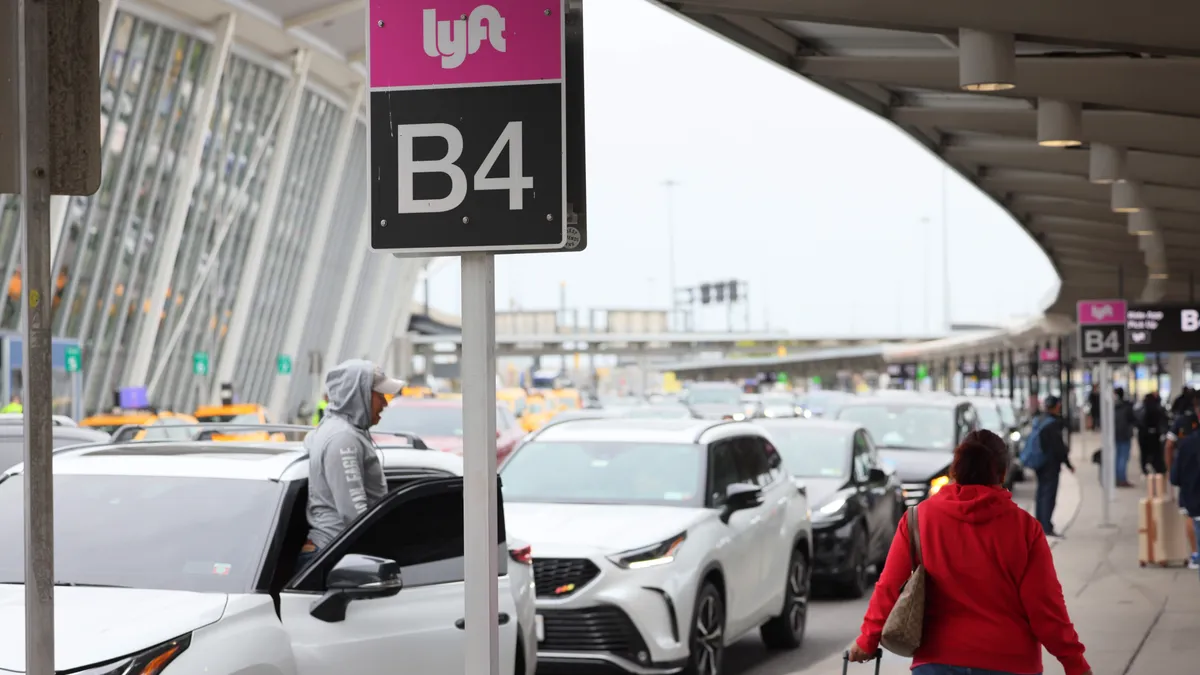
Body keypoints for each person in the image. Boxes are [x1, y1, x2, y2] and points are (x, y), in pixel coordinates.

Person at [847, 429, 1091, 675]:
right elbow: (1045, 607)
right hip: (1010, 662)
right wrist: (1074, 663)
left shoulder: (918, 519)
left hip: (936, 661)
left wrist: (868, 640)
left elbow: (889, 587)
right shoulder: (1025, 528)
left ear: (955, 471)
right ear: (1003, 473)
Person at [297, 359, 405, 569]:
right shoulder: (343, 438)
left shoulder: (332, 428)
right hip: (335, 554)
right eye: (379, 395)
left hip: (331, 551)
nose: (385, 403)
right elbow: (354, 513)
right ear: (359, 395)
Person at [1033, 395, 1074, 538]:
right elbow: (1059, 447)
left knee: (1040, 494)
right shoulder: (1052, 424)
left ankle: (1039, 524)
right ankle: (1046, 526)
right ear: (1056, 406)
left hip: (1039, 463)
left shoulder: (1039, 420)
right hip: (1050, 464)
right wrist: (1068, 464)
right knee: (1049, 495)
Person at [1167, 389, 1200, 570]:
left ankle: (1196, 554)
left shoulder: (1184, 427)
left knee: (1192, 515)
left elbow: (1169, 445)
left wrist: (1171, 471)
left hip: (1190, 477)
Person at [1137, 392, 1168, 475]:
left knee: (1144, 452)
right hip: (1155, 434)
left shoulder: (1141, 408)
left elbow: (1138, 421)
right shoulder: (1158, 408)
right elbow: (1164, 420)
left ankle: (1145, 468)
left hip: (1143, 434)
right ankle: (1158, 467)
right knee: (1156, 452)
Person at [1112, 387, 1137, 487]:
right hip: (1125, 434)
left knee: (1117, 456)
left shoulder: (1112, 407)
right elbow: (1133, 419)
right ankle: (1122, 479)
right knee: (1123, 457)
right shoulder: (1127, 406)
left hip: (1115, 434)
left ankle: (1117, 478)